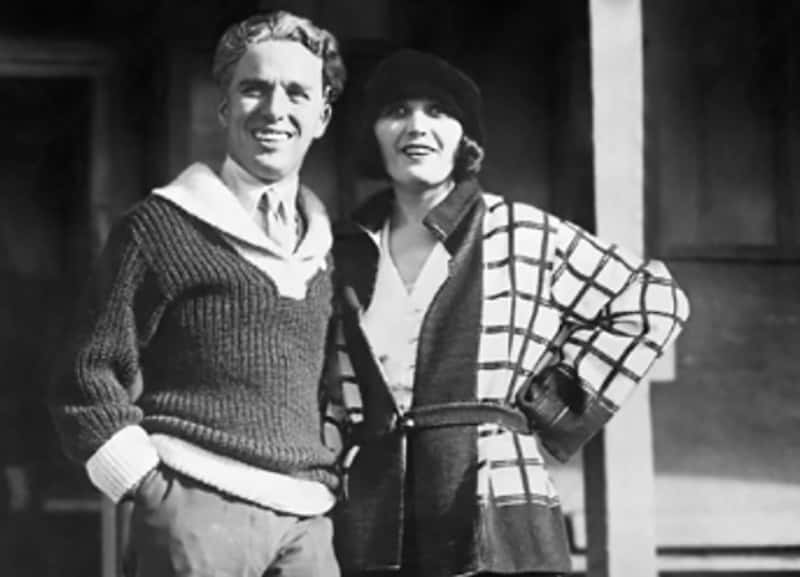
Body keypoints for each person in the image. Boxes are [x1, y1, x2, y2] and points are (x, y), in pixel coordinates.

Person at [325, 50, 690, 577]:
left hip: (492, 493)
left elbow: (653, 299)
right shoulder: (341, 248)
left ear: (465, 138)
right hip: (374, 507)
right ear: (373, 133)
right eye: (397, 111)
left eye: (438, 111)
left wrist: (550, 404)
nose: (416, 127)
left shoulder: (523, 232)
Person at [49, 11, 346, 577]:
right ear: (224, 107)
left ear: (322, 117)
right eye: (253, 89)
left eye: (297, 93)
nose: (274, 110)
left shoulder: (327, 250)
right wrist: (149, 488)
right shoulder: (161, 226)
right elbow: (85, 374)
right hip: (197, 509)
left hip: (307, 518)